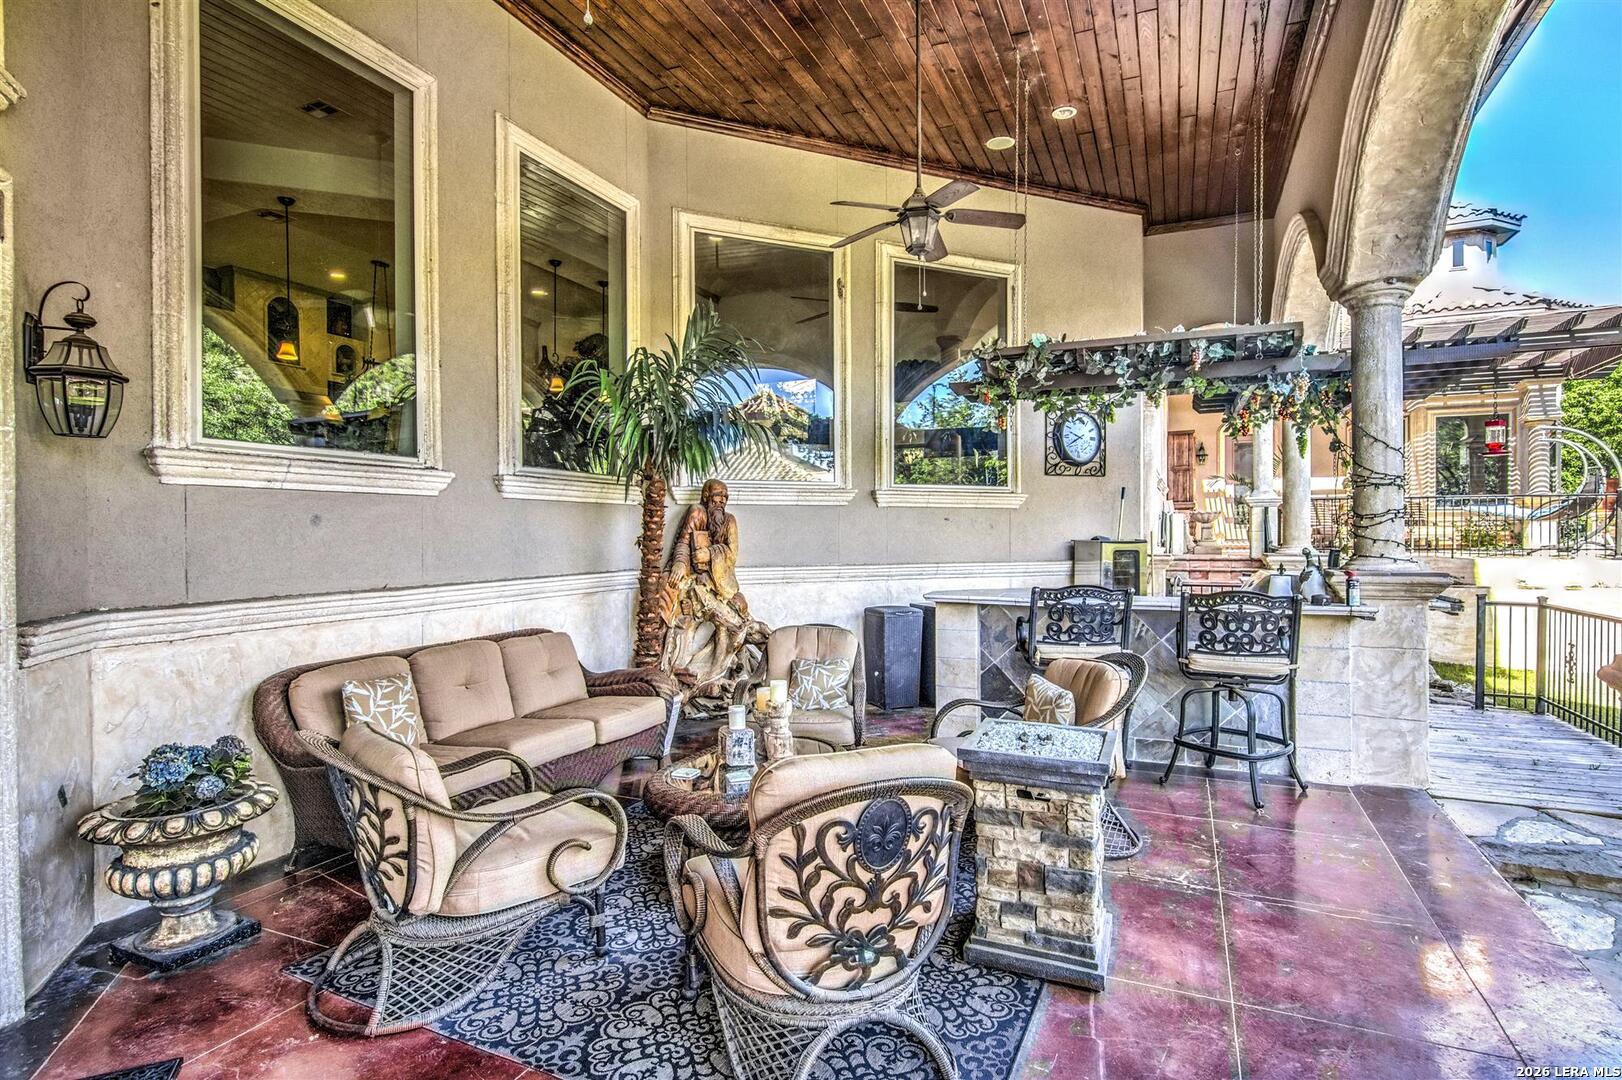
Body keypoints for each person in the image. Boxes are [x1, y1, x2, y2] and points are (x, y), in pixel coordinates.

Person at [658, 480, 765, 708]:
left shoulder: (729, 521)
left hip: (719, 582)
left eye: (725, 497)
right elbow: (683, 542)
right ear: (707, 496)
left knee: (739, 621)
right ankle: (678, 680)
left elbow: (731, 554)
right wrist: (679, 563)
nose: (721, 501)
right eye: (717, 495)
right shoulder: (697, 512)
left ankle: (722, 673)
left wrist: (710, 553)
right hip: (695, 582)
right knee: (678, 615)